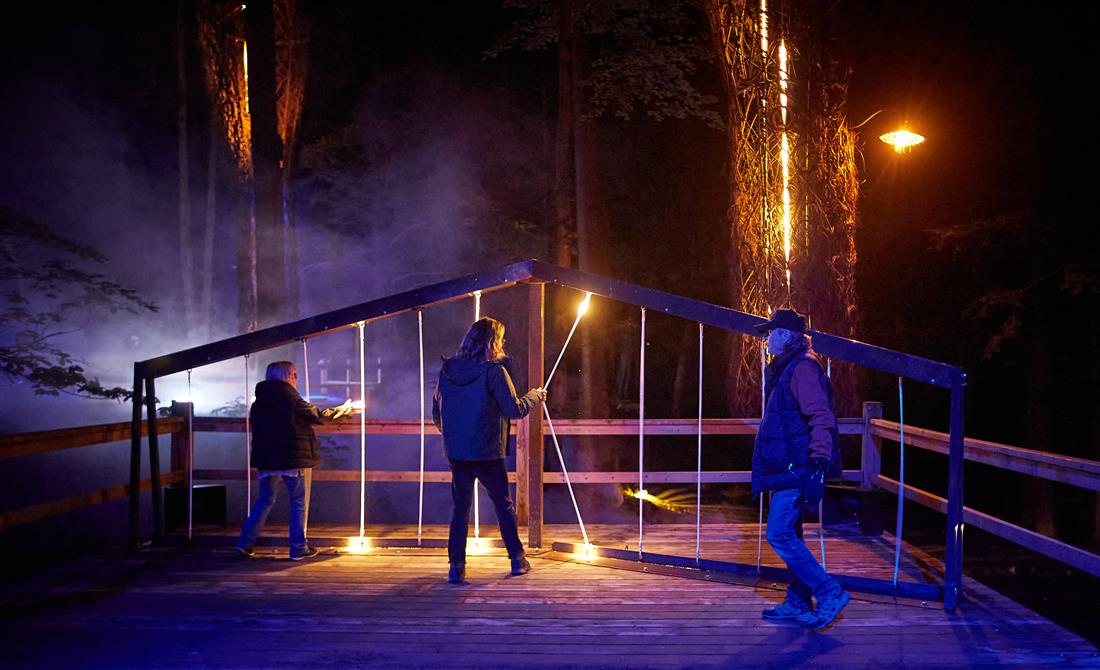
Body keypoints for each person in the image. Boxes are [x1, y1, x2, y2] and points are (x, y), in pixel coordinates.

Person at [752, 308, 849, 631]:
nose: (766, 340)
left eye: (770, 334)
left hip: (798, 467)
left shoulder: (802, 369)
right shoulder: (786, 368)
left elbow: (821, 417)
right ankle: (797, 600)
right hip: (787, 466)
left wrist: (817, 465)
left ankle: (828, 592)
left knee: (778, 533)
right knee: (790, 532)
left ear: (785, 336)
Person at [432, 317, 546, 584]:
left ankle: (456, 567)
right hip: (486, 452)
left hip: (457, 453)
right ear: (493, 342)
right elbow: (514, 409)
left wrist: (455, 436)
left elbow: (437, 412)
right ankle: (517, 560)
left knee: (460, 509)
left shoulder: (447, 369)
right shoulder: (493, 371)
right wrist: (535, 396)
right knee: (503, 506)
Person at [236, 361, 355, 560]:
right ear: (286, 376)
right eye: (294, 374)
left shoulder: (258, 403)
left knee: (264, 500)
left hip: (267, 458)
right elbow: (316, 416)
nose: (296, 378)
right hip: (293, 457)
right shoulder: (291, 399)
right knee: (299, 501)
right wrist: (342, 411)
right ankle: (298, 548)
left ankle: (244, 542)